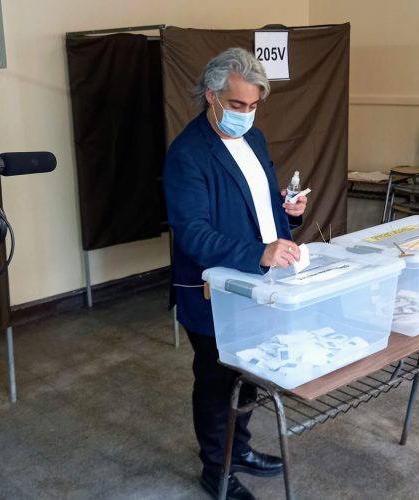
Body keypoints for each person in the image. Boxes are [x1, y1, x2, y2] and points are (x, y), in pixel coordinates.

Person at [164, 47, 308, 500]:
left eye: (253, 105)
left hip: (257, 281)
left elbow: (260, 208)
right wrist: (260, 252)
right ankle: (216, 469)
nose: (246, 113)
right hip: (212, 291)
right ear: (212, 96)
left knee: (248, 373)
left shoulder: (255, 140)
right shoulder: (187, 154)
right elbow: (194, 235)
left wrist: (291, 214)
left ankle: (238, 449)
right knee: (215, 379)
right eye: (238, 104)